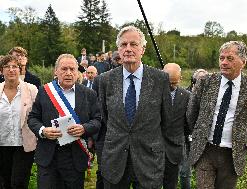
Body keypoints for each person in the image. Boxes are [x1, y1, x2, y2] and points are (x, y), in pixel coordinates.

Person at [99, 25, 172, 188]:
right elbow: (104, 118)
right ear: (118, 49)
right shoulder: (104, 80)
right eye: (123, 45)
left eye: (134, 44)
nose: (128, 49)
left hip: (149, 162)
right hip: (115, 161)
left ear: (143, 49)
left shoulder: (160, 79)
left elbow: (167, 122)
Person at [186, 41, 247, 189]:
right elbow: (192, 113)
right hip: (205, 150)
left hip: (232, 155)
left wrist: (239, 138)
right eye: (221, 58)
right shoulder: (205, 82)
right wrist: (198, 133)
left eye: (230, 58)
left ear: (243, 62)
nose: (224, 62)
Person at [28, 54, 101, 189]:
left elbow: (97, 120)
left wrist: (84, 128)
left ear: (77, 71)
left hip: (75, 156)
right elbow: (33, 118)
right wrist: (43, 131)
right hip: (49, 156)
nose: (68, 73)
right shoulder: (45, 91)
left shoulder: (88, 94)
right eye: (64, 69)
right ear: (56, 71)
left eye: (72, 69)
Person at [0, 55, 38, 189]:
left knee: (19, 183)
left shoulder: (31, 90)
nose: (11, 70)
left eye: (14, 66)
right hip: (2, 144)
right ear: (1, 71)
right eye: (7, 67)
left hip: (24, 145)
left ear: (20, 69)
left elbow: (38, 115)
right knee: (4, 182)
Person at [162, 63, 191, 189]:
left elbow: (189, 122)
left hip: (175, 150)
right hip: (153, 149)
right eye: (168, 82)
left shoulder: (187, 96)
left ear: (180, 79)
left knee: (171, 184)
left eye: (174, 83)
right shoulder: (153, 93)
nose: (171, 86)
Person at [179, 68, 208, 189]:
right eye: (198, 81)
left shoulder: (210, 98)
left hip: (203, 139)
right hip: (185, 138)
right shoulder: (184, 95)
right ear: (193, 81)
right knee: (185, 171)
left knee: (205, 171)